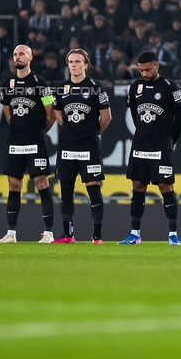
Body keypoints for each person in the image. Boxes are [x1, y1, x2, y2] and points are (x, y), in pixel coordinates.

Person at [120, 51, 181, 245]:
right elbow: (134, 113)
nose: (144, 73)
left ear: (157, 65)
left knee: (166, 187)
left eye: (148, 69)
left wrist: (170, 140)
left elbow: (180, 117)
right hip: (140, 144)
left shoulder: (170, 87)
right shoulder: (135, 87)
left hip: (161, 145)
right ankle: (135, 234)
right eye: (141, 70)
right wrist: (143, 131)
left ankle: (173, 235)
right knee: (137, 186)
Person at [0, 45, 57, 244]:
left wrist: (39, 132)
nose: (17, 57)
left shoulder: (41, 83)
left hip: (35, 142)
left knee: (41, 183)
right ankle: (11, 234)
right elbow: (7, 111)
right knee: (14, 185)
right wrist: (17, 127)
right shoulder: (8, 83)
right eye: (15, 54)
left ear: (30, 57)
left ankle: (48, 233)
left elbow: (51, 113)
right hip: (15, 142)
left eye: (22, 53)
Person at [52, 49, 112, 243]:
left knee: (93, 189)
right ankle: (68, 234)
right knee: (66, 190)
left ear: (86, 65)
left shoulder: (96, 87)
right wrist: (70, 130)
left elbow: (107, 117)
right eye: (70, 62)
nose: (74, 65)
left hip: (89, 145)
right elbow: (57, 113)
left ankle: (97, 235)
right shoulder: (61, 88)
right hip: (67, 146)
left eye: (78, 62)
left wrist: (92, 132)